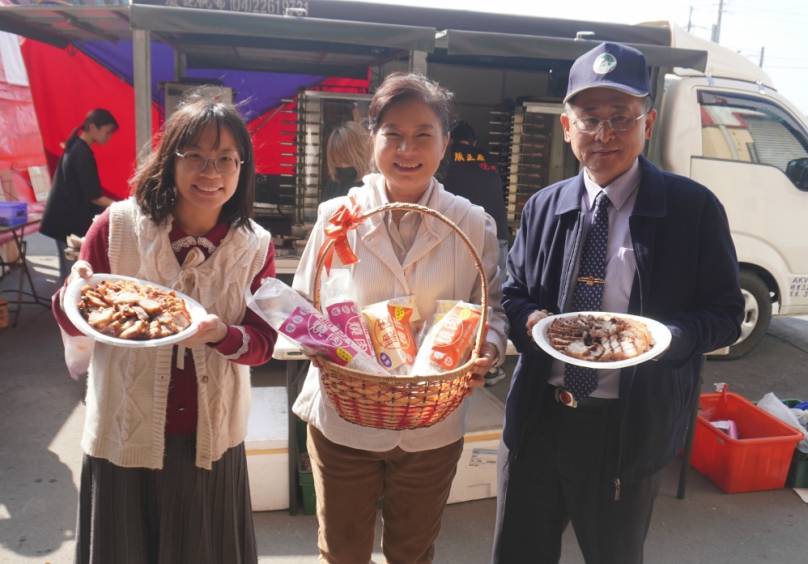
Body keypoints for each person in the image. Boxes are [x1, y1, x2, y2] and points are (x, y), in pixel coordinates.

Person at [493, 42, 745, 564]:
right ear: (567, 127)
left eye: (620, 118)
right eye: (589, 119)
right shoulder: (544, 206)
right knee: (519, 553)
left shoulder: (691, 209)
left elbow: (726, 313)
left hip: (625, 429)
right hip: (539, 420)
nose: (603, 134)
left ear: (647, 123)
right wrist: (531, 320)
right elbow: (511, 291)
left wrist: (668, 340)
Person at [292, 72, 509, 564]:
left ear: (445, 142)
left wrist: (487, 351)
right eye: (392, 134)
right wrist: (316, 342)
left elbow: (492, 308)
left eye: (423, 134)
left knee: (412, 550)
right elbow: (302, 302)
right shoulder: (337, 217)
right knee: (343, 551)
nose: (406, 148)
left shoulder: (472, 222)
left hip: (433, 426)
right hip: (344, 419)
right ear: (373, 141)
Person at [52, 98, 277, 564]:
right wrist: (70, 295)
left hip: (210, 440)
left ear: (242, 168)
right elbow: (75, 311)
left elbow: (262, 344)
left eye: (226, 159)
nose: (210, 171)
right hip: (123, 432)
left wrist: (221, 336)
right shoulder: (117, 227)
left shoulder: (254, 246)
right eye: (194, 155)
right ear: (169, 158)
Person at [442, 120, 510, 386]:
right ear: (472, 142)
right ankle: (490, 363)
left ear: (448, 141)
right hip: (499, 231)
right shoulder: (488, 158)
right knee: (493, 295)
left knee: (464, 296)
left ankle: (462, 357)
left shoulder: (449, 159)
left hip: (468, 234)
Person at [40, 109, 118, 279]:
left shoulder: (76, 146)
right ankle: (65, 305)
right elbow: (95, 197)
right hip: (66, 221)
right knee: (72, 274)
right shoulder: (82, 153)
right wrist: (122, 207)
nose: (109, 136)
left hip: (64, 217)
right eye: (107, 131)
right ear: (92, 127)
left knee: (70, 271)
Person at [322, 120, 370, 201]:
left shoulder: (378, 185)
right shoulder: (334, 185)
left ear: (362, 154)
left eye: (348, 161)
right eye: (338, 163)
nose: (343, 167)